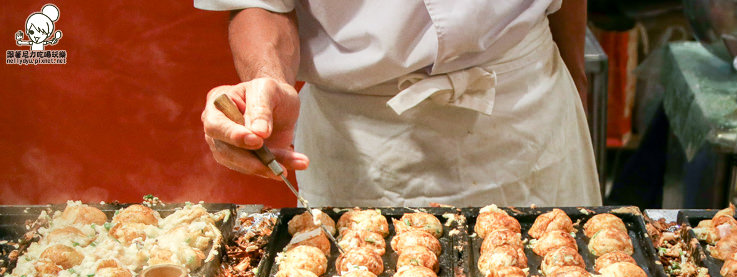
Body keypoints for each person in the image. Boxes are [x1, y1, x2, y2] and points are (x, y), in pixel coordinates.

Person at [198, 1, 602, 208]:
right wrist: (269, 80)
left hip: (527, 103)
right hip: (364, 136)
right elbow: (258, 3)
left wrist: (575, 81)